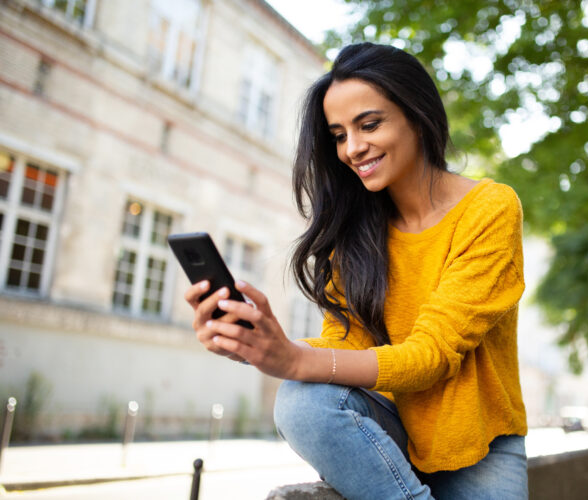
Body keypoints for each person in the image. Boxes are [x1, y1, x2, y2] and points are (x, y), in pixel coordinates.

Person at [184, 42, 528, 499]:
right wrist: (257, 344)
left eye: (369, 124)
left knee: (300, 376)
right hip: (391, 439)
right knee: (301, 401)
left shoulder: (490, 208)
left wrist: (293, 357)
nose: (353, 148)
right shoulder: (358, 229)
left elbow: (433, 356)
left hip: (479, 446)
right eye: (339, 135)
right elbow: (345, 345)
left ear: (417, 115)